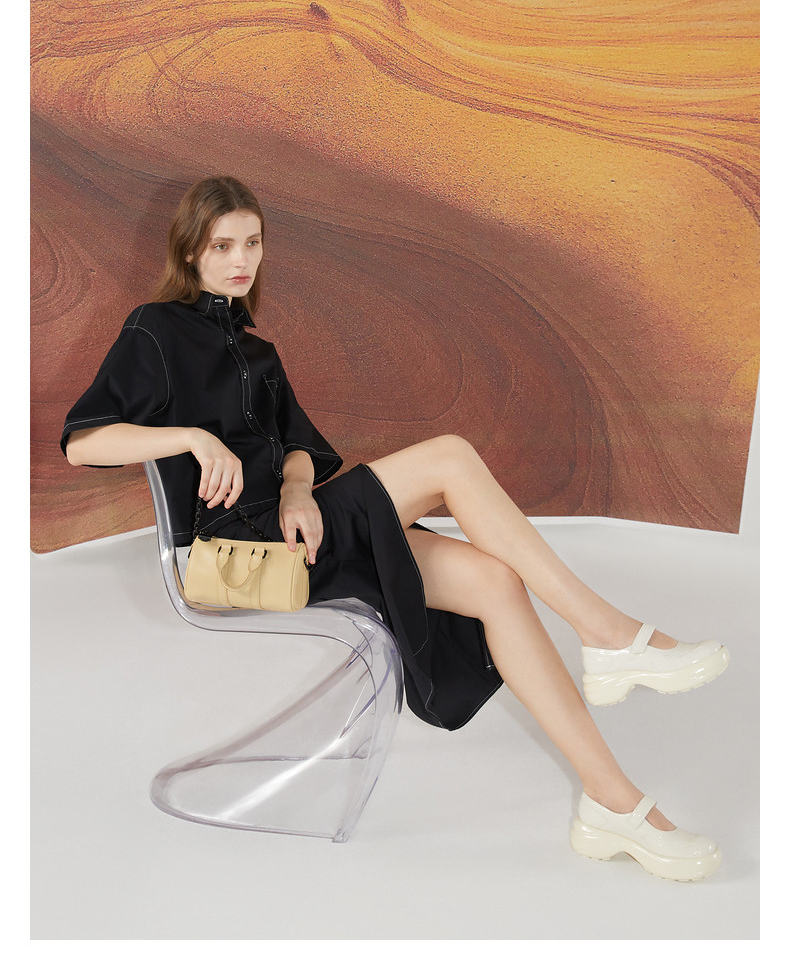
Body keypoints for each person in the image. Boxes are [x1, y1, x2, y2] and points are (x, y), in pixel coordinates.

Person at [61, 176, 730, 881]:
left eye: (252, 243)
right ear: (191, 251)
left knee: (494, 582)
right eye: (223, 245)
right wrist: (192, 438)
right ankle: (608, 633)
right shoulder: (156, 328)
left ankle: (612, 803)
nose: (241, 259)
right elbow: (82, 442)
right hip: (231, 556)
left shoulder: (259, 354)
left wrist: (297, 488)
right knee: (450, 458)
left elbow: (299, 448)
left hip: (295, 536)